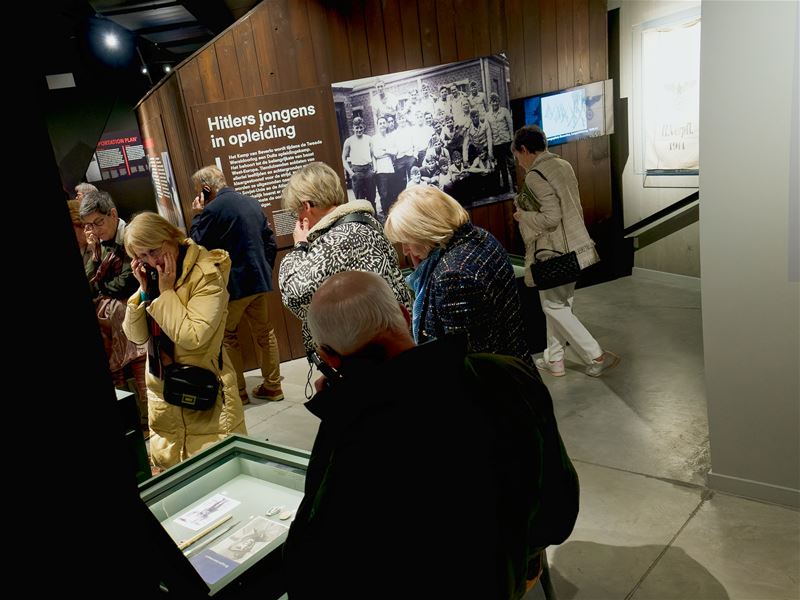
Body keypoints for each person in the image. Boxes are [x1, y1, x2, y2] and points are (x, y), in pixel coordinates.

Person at [283, 271, 579, 599]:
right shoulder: (509, 374)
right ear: (405, 313)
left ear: (329, 357)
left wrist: (338, 408)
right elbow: (558, 512)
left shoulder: (347, 440)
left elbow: (306, 571)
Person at [122, 212, 247, 470]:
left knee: (216, 473)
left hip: (203, 390)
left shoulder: (205, 274)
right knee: (177, 478)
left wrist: (167, 293)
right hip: (163, 391)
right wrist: (145, 290)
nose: (150, 262)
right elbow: (136, 337)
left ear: (170, 237)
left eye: (154, 251)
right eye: (141, 256)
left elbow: (194, 337)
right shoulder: (155, 277)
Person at [512, 125, 620, 377]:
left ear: (525, 150)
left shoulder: (535, 175)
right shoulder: (563, 165)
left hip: (552, 252)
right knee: (561, 305)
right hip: (574, 247)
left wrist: (522, 216)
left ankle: (595, 354)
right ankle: (556, 360)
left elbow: (550, 218)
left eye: (518, 156)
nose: (519, 163)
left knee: (553, 307)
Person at [278, 161, 411, 358]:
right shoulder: (363, 223)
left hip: (365, 352)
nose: (296, 217)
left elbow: (295, 296)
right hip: (386, 339)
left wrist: (300, 247)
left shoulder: (338, 237)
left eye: (296, 212)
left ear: (306, 206)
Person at [383, 185, 531, 363]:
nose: (406, 250)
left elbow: (466, 361)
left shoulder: (453, 275)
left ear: (425, 230)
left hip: (494, 385)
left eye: (407, 240)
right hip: (516, 368)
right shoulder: (480, 237)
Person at [190, 166, 283, 403]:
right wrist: (263, 268)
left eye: (198, 190)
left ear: (206, 188)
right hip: (259, 282)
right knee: (265, 333)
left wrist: (198, 214)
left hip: (233, 287)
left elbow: (195, 244)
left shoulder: (210, 211)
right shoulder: (252, 202)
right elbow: (270, 243)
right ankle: (273, 387)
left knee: (229, 337)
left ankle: (239, 393)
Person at [80, 190, 149, 436]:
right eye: (88, 225)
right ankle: (132, 426)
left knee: (142, 372)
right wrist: (92, 252)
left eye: (98, 222)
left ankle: (151, 423)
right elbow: (90, 283)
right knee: (117, 374)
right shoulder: (96, 245)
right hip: (111, 325)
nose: (94, 230)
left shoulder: (130, 236)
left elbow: (126, 282)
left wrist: (102, 286)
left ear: (112, 214)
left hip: (137, 316)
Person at [340, 116, 376, 209]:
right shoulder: (349, 141)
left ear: (363, 127)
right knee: (360, 200)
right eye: (357, 128)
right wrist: (351, 173)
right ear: (353, 128)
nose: (359, 130)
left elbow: (372, 155)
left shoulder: (369, 139)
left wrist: (374, 169)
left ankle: (374, 217)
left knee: (372, 197)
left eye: (361, 127)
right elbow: (343, 158)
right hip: (357, 172)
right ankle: (364, 219)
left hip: (368, 171)